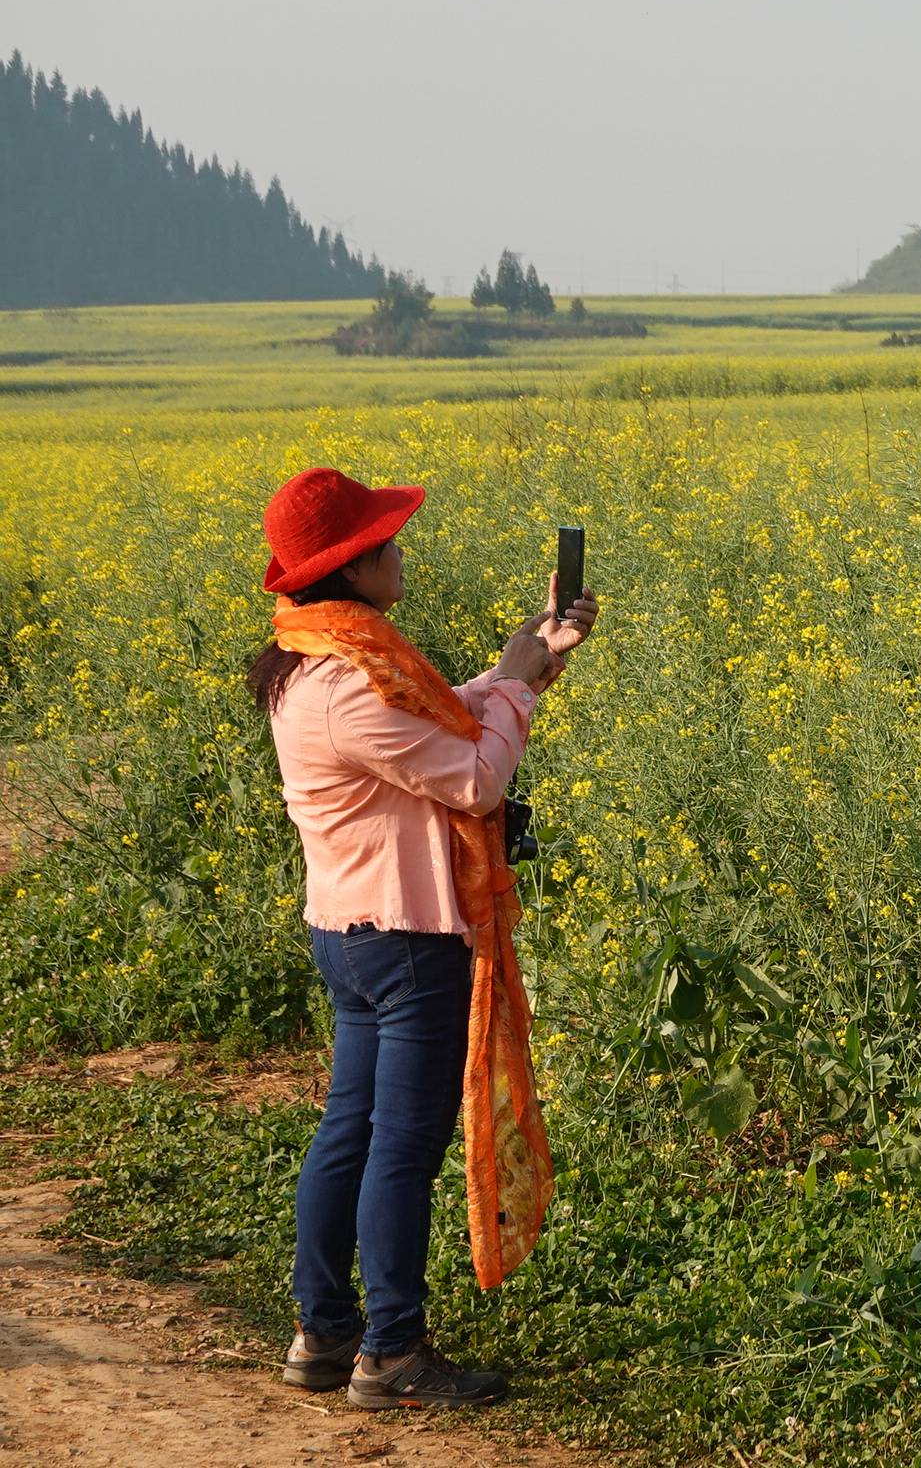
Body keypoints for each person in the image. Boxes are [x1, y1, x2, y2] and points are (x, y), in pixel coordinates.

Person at [246, 468, 597, 1410]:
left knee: (348, 1136)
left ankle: (322, 1332)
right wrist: (517, 694)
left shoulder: (320, 664)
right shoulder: (350, 689)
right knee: (399, 1150)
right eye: (387, 542)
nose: (401, 550)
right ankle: (392, 1351)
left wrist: (529, 659)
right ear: (353, 569)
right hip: (406, 945)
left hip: (352, 935)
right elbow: (476, 780)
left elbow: (436, 718)